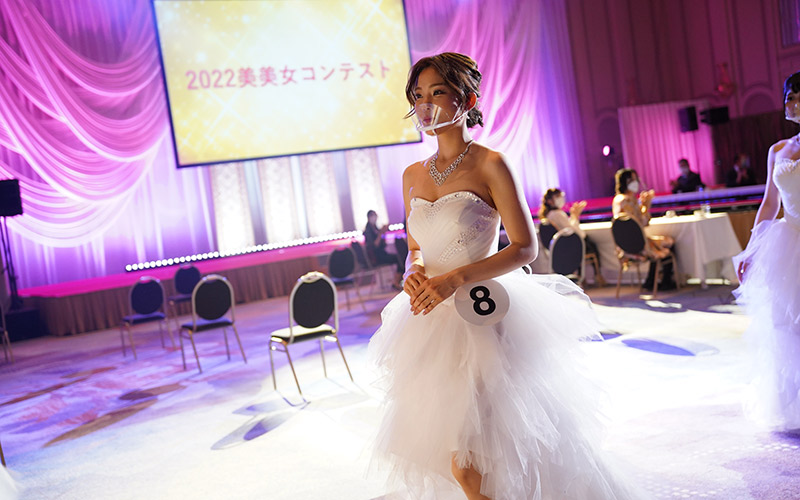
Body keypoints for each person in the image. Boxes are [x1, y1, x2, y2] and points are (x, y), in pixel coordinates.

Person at [368, 52, 642, 499]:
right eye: (418, 95)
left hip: (481, 317)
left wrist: (455, 279)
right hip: (428, 322)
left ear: (467, 99)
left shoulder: (490, 164)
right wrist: (412, 271)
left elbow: (524, 247)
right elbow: (415, 246)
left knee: (471, 462)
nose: (425, 105)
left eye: (437, 92)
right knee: (450, 450)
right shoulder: (411, 175)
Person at [733, 72, 800, 431]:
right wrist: (752, 250)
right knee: (784, 325)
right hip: (787, 242)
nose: (793, 103)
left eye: (799, 96)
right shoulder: (778, 149)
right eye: (789, 96)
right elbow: (770, 204)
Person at [612, 168, 677, 290]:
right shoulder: (628, 200)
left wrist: (643, 206)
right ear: (625, 182)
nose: (635, 182)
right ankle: (665, 281)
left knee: (659, 244)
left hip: (625, 246)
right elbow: (642, 223)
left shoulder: (618, 199)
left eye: (636, 179)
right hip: (638, 246)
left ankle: (651, 280)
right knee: (669, 242)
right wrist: (646, 205)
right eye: (632, 180)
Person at [538, 188, 606, 286]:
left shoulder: (549, 215)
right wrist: (575, 216)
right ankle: (596, 275)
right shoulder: (557, 214)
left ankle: (584, 278)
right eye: (557, 197)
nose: (561, 199)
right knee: (587, 244)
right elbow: (574, 232)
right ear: (549, 201)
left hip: (561, 248)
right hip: (566, 247)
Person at [363, 209, 403, 289]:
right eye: (373, 215)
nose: (375, 217)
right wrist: (381, 233)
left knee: (399, 257)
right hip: (376, 257)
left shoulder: (375, 228)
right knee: (399, 258)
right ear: (369, 217)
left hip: (381, 253)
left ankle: (397, 281)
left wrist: (383, 233)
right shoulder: (368, 231)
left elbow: (383, 244)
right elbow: (374, 246)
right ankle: (396, 281)